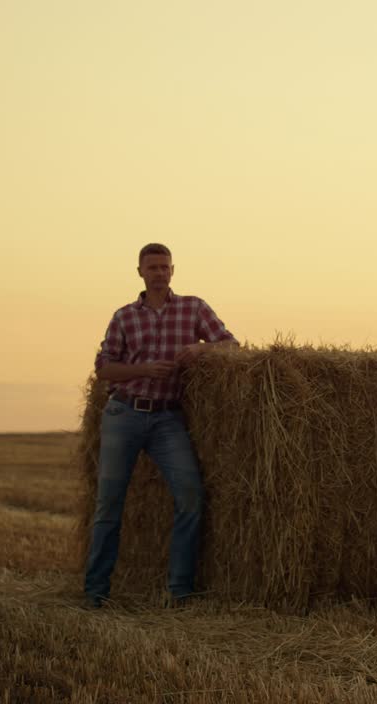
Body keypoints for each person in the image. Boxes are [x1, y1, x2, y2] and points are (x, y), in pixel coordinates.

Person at [83, 242, 238, 608]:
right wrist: (144, 370)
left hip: (168, 417)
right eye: (152, 267)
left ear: (173, 270)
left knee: (190, 497)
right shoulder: (124, 317)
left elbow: (232, 344)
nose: (159, 273)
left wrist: (202, 349)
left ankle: (179, 590)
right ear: (140, 272)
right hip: (124, 414)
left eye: (165, 267)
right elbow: (104, 369)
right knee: (109, 505)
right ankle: (95, 592)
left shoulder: (193, 308)